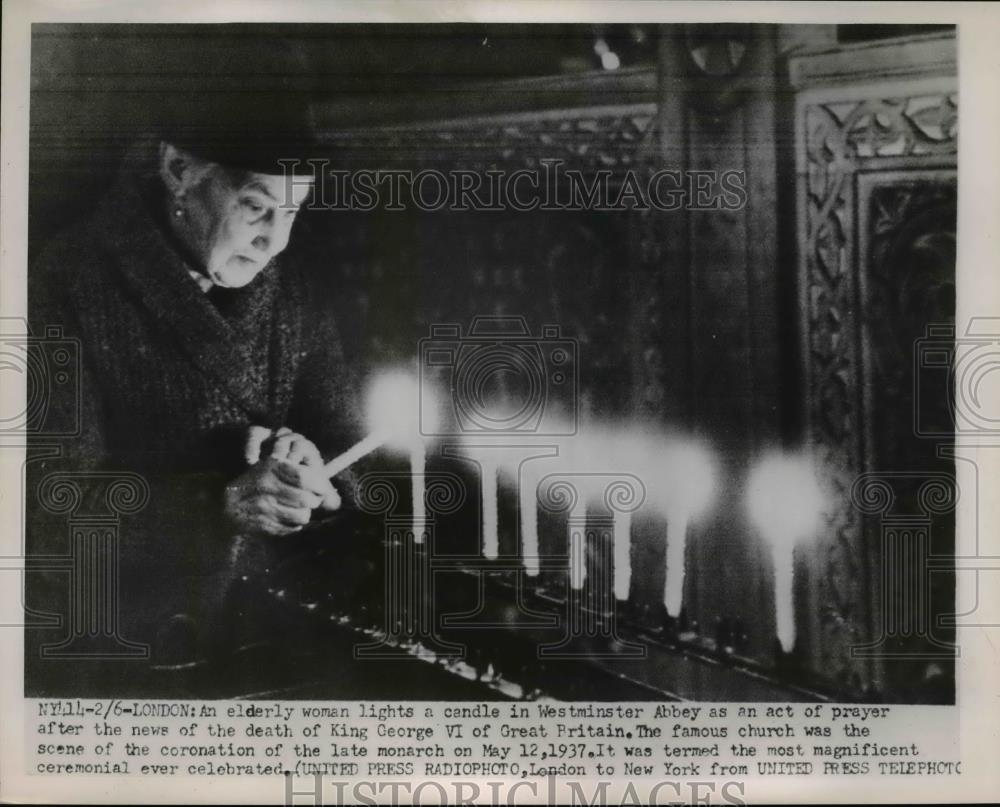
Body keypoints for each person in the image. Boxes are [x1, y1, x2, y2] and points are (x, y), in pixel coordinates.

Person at [25, 71, 361, 694]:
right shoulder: (65, 281)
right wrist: (221, 504)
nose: (274, 240)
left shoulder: (293, 288)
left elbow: (346, 448)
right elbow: (46, 512)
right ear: (179, 169)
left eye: (293, 211)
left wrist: (321, 483)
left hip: (280, 633)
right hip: (123, 652)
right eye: (256, 206)